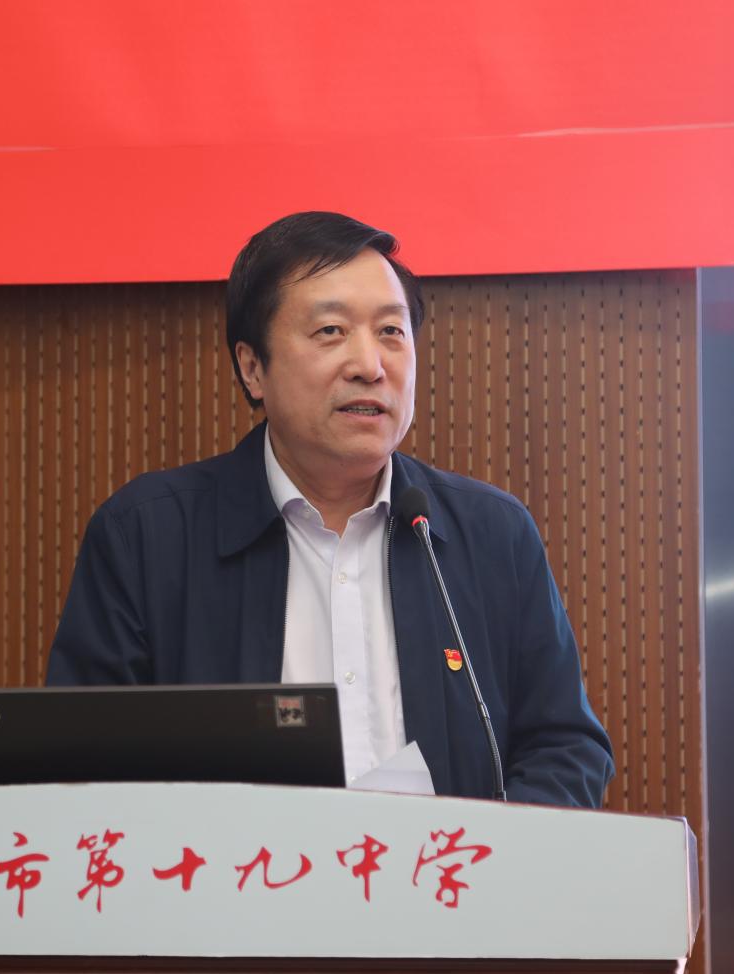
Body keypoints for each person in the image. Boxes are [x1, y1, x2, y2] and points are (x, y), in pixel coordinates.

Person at [46, 212, 614, 806]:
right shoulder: (148, 536)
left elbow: (564, 747)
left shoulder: (491, 533)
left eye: (391, 332)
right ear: (252, 367)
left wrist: (493, 854)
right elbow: (83, 761)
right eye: (330, 331)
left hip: (446, 866)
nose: (369, 365)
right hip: (238, 865)